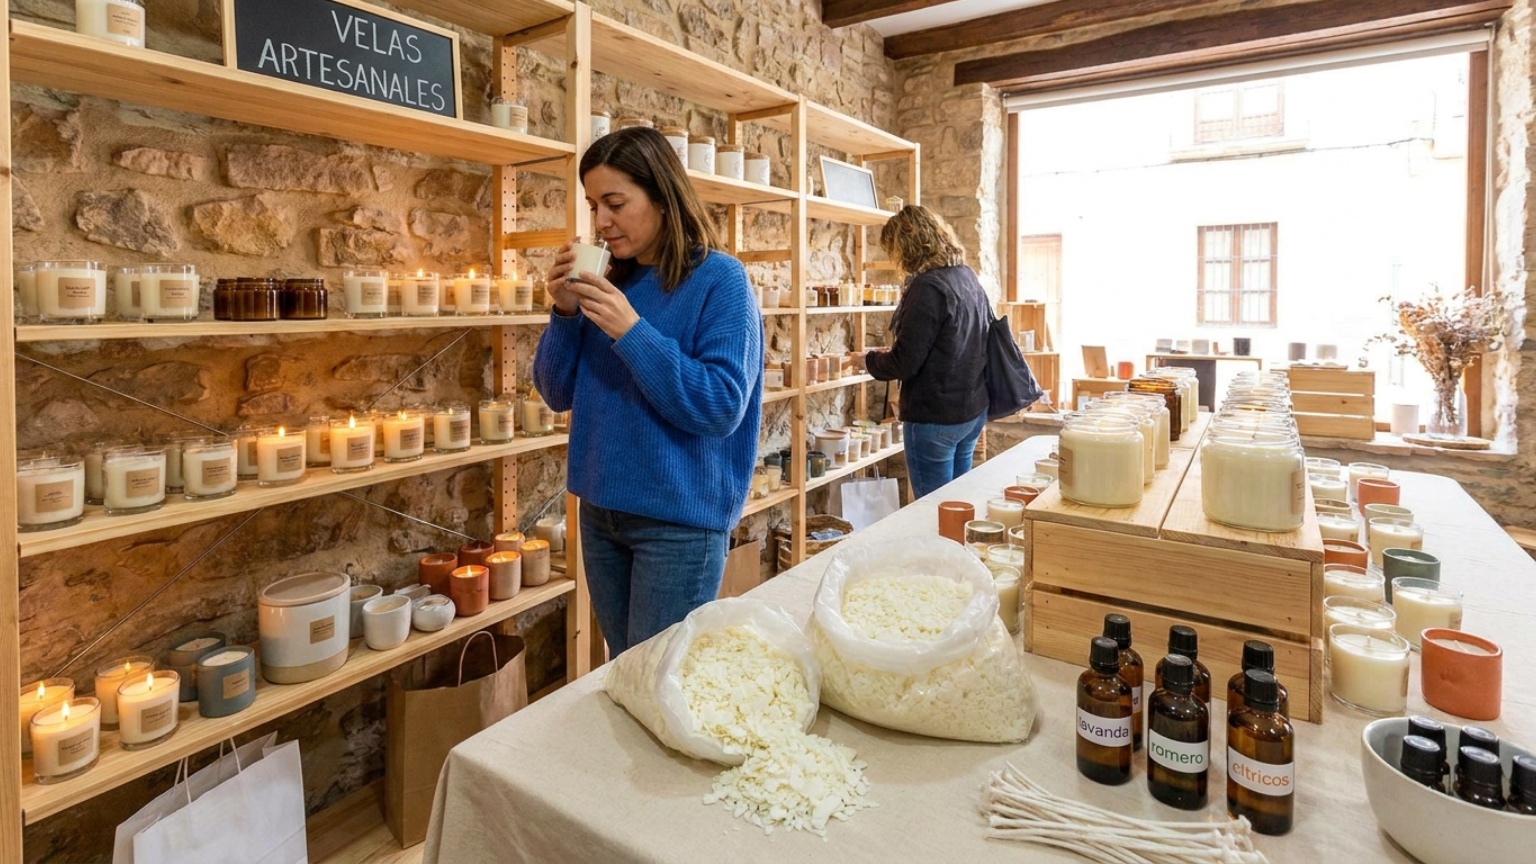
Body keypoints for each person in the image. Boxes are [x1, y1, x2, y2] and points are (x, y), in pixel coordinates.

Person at [532, 127, 763, 656]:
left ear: (662, 196)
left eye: (615, 202)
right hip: (600, 509)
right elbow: (555, 392)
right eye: (594, 205)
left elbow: (721, 405)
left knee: (660, 676)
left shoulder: (721, 280)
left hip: (679, 522)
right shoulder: (610, 278)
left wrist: (630, 330)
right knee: (626, 666)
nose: (601, 222)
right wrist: (565, 312)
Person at [856, 205, 991, 500]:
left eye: (895, 250)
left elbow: (905, 363)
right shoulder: (966, 277)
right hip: (971, 410)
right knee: (956, 506)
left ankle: (938, 548)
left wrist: (867, 360)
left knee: (932, 512)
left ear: (909, 246)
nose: (896, 259)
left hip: (937, 417)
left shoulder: (927, 287)